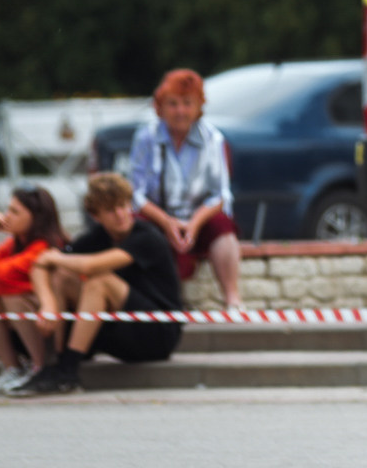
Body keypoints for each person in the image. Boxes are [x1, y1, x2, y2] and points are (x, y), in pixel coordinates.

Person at [19, 174, 185, 394]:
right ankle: (58, 363)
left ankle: (68, 369)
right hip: (121, 329)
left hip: (158, 334)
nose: (120, 215)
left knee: (100, 281)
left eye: (124, 206)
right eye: (110, 210)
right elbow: (40, 264)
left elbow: (90, 266)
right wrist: (47, 304)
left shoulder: (148, 237)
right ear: (95, 215)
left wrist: (55, 257)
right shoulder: (98, 237)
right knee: (61, 276)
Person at [127, 69, 244, 310]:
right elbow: (135, 193)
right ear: (160, 107)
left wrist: (194, 224)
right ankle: (159, 303)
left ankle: (233, 299)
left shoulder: (213, 138)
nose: (180, 111)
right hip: (157, 217)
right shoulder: (145, 138)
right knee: (139, 231)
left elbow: (220, 195)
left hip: (198, 218)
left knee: (223, 230)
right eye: (173, 104)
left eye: (187, 103)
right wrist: (167, 222)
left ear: (198, 106)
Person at [0, 186, 66, 392]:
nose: (6, 216)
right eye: (7, 209)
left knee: (13, 295)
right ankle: (13, 368)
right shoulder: (14, 243)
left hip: (56, 328)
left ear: (36, 217)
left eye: (15, 211)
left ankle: (40, 368)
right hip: (24, 326)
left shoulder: (47, 244)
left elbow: (3, 276)